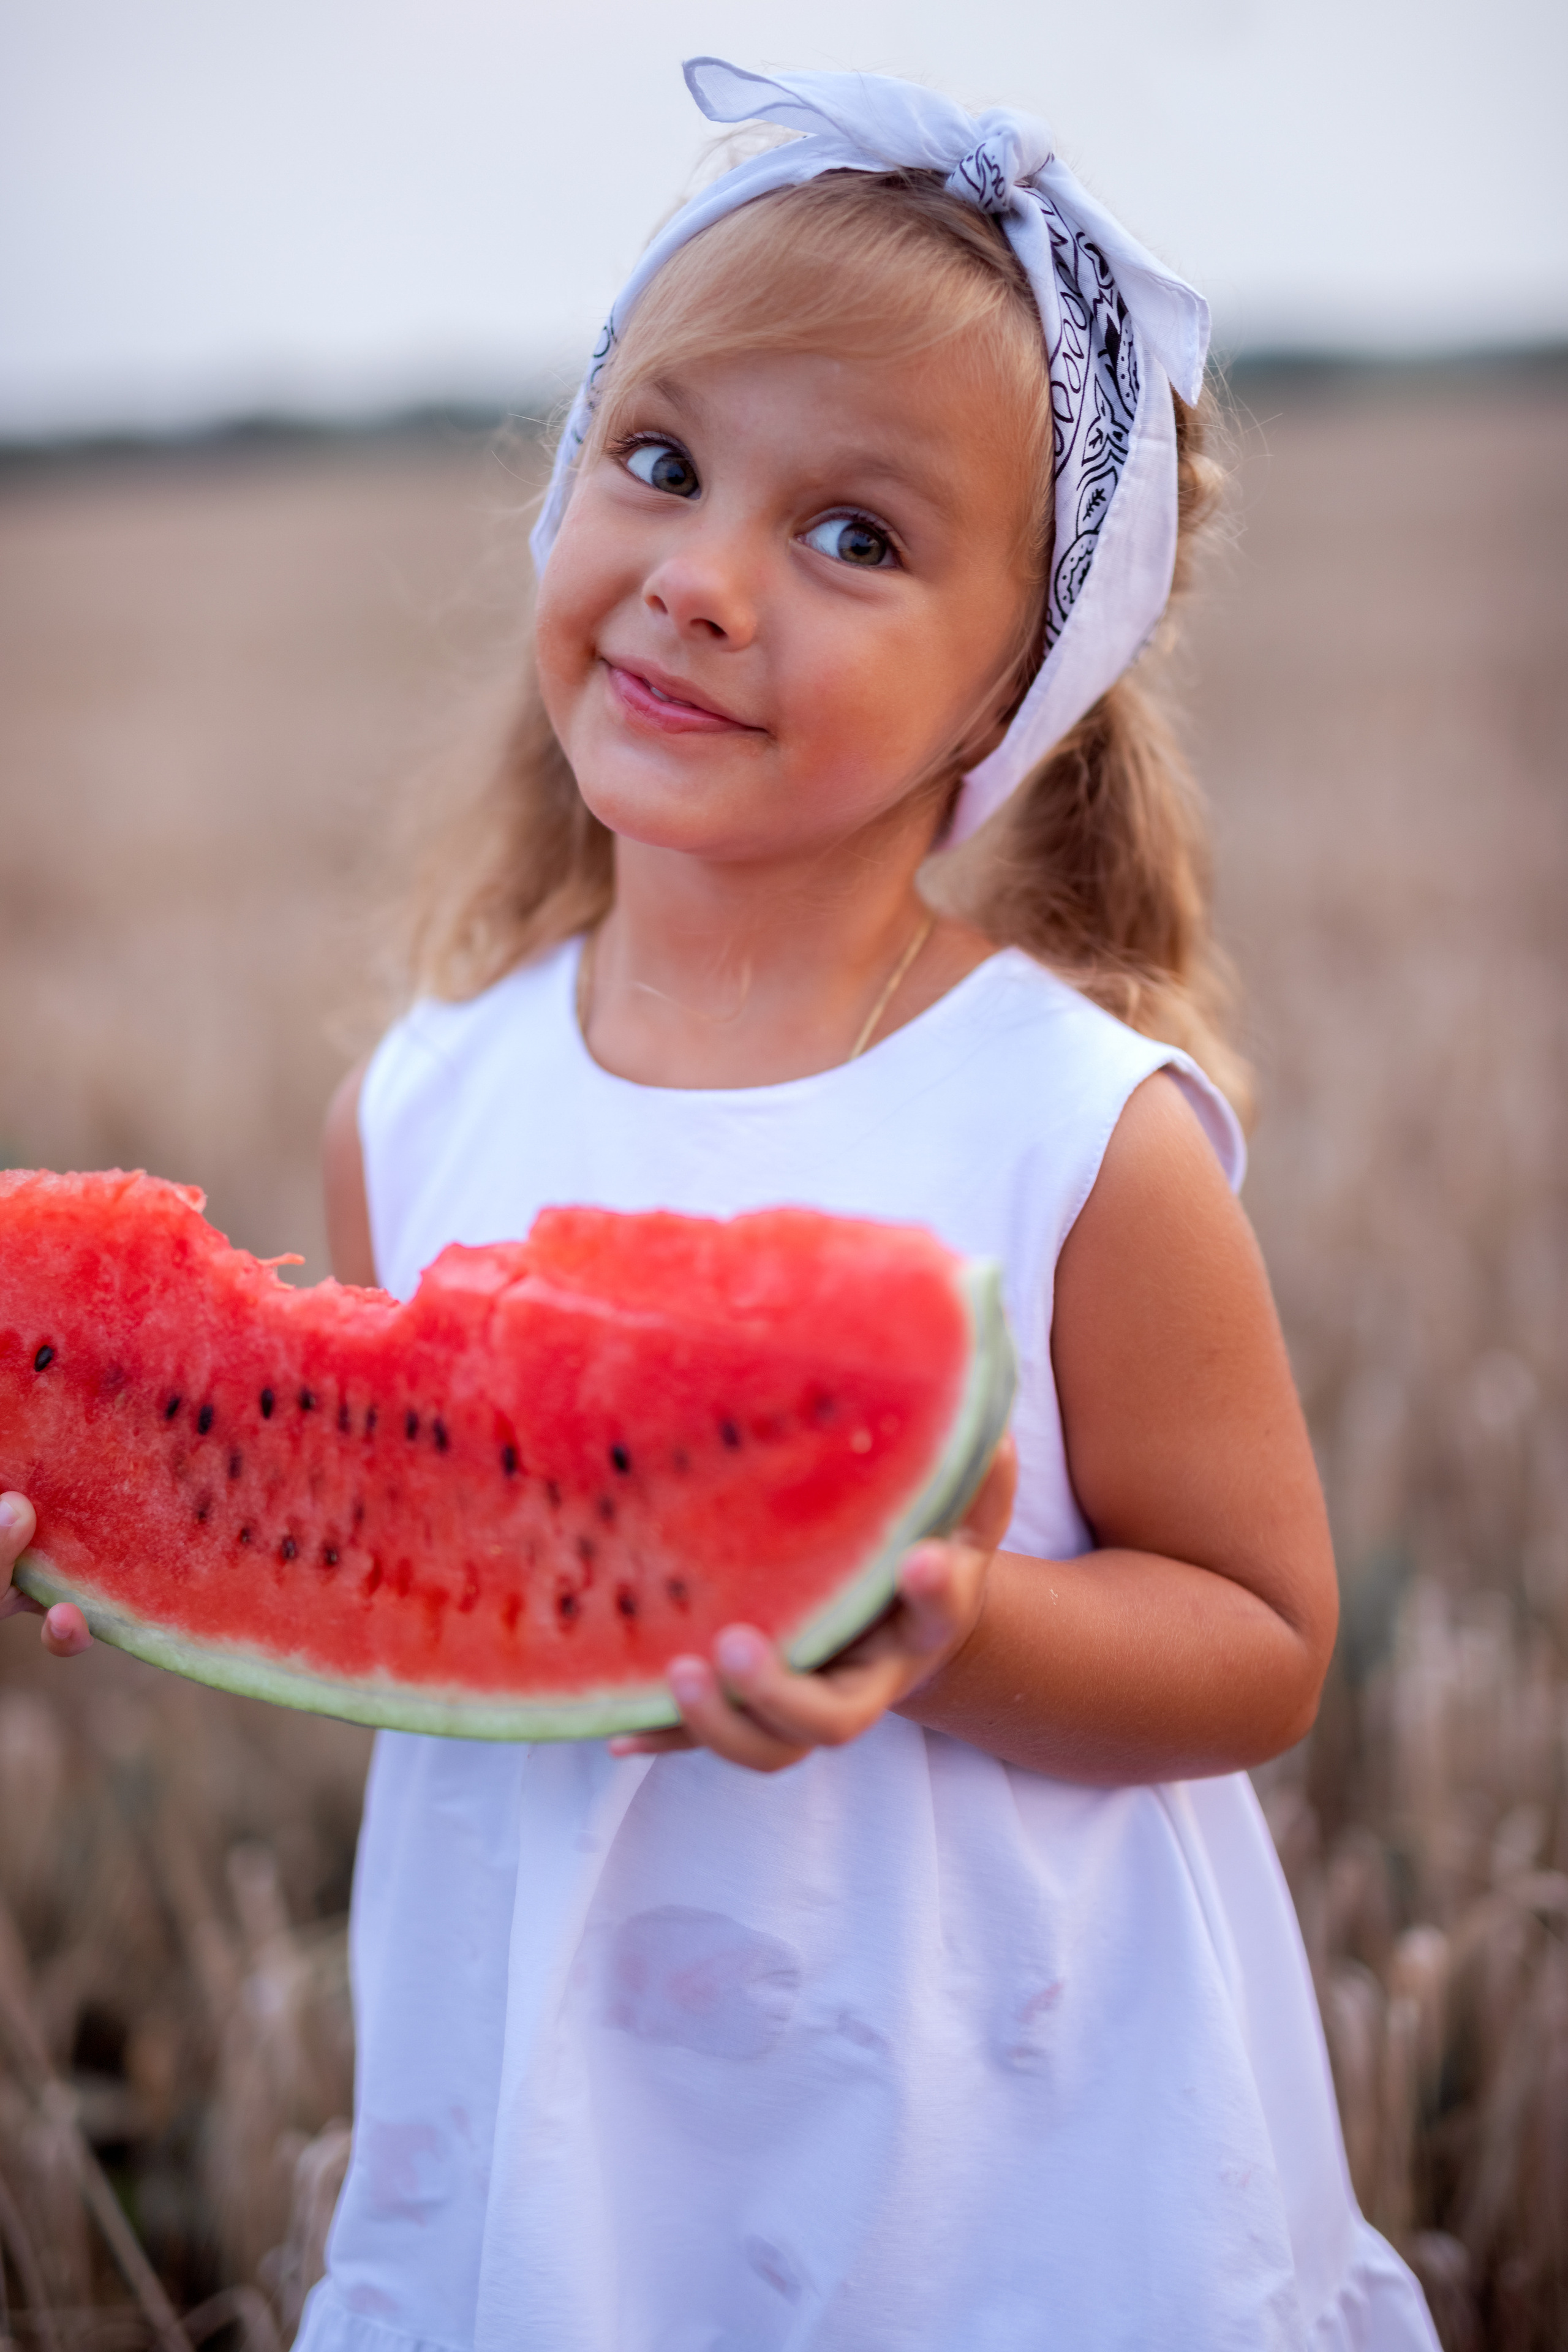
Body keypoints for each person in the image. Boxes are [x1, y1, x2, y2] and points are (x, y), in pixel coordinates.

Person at [2, 58, 1439, 2351]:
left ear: (1013, 698)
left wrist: (947, 1623)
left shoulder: (1079, 1130)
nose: (703, 577)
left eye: (854, 535)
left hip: (990, 2121)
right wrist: (158, 1518)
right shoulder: (428, 1093)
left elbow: (1261, 1643)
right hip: (568, 2111)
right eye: (659, 463)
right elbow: (435, 1537)